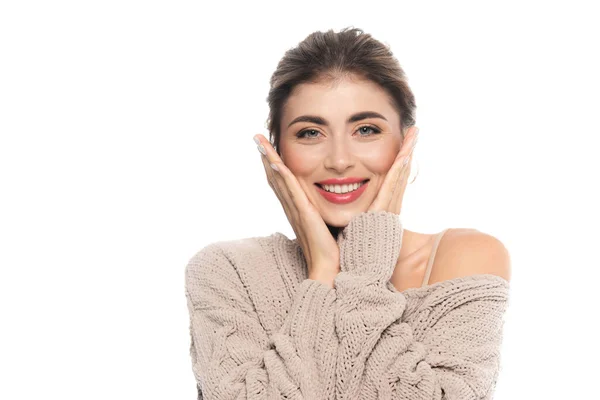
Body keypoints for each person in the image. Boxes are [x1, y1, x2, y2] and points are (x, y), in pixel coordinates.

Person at [184, 27, 512, 400]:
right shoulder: (228, 271)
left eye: (366, 129)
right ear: (276, 152)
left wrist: (363, 275)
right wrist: (324, 271)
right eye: (310, 133)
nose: (339, 160)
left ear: (405, 142)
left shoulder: (463, 258)